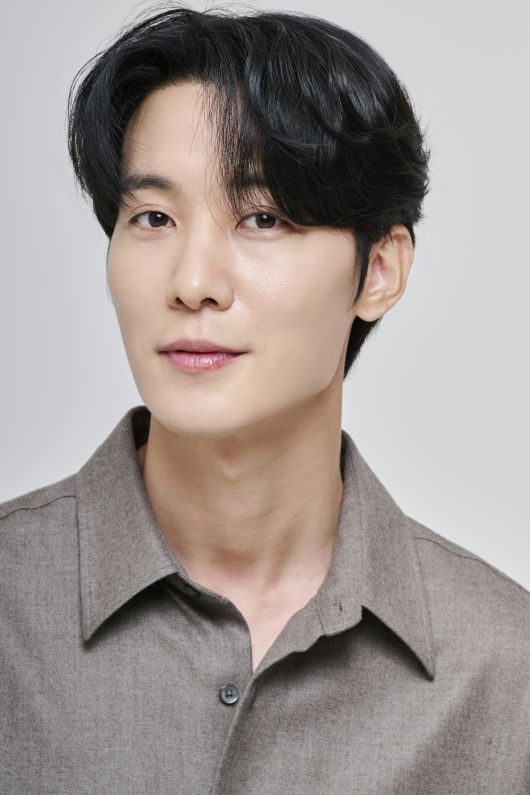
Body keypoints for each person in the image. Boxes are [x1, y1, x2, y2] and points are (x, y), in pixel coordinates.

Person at [1, 4, 528, 794]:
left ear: (380, 269)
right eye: (153, 217)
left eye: (262, 217)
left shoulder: (505, 670)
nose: (193, 283)